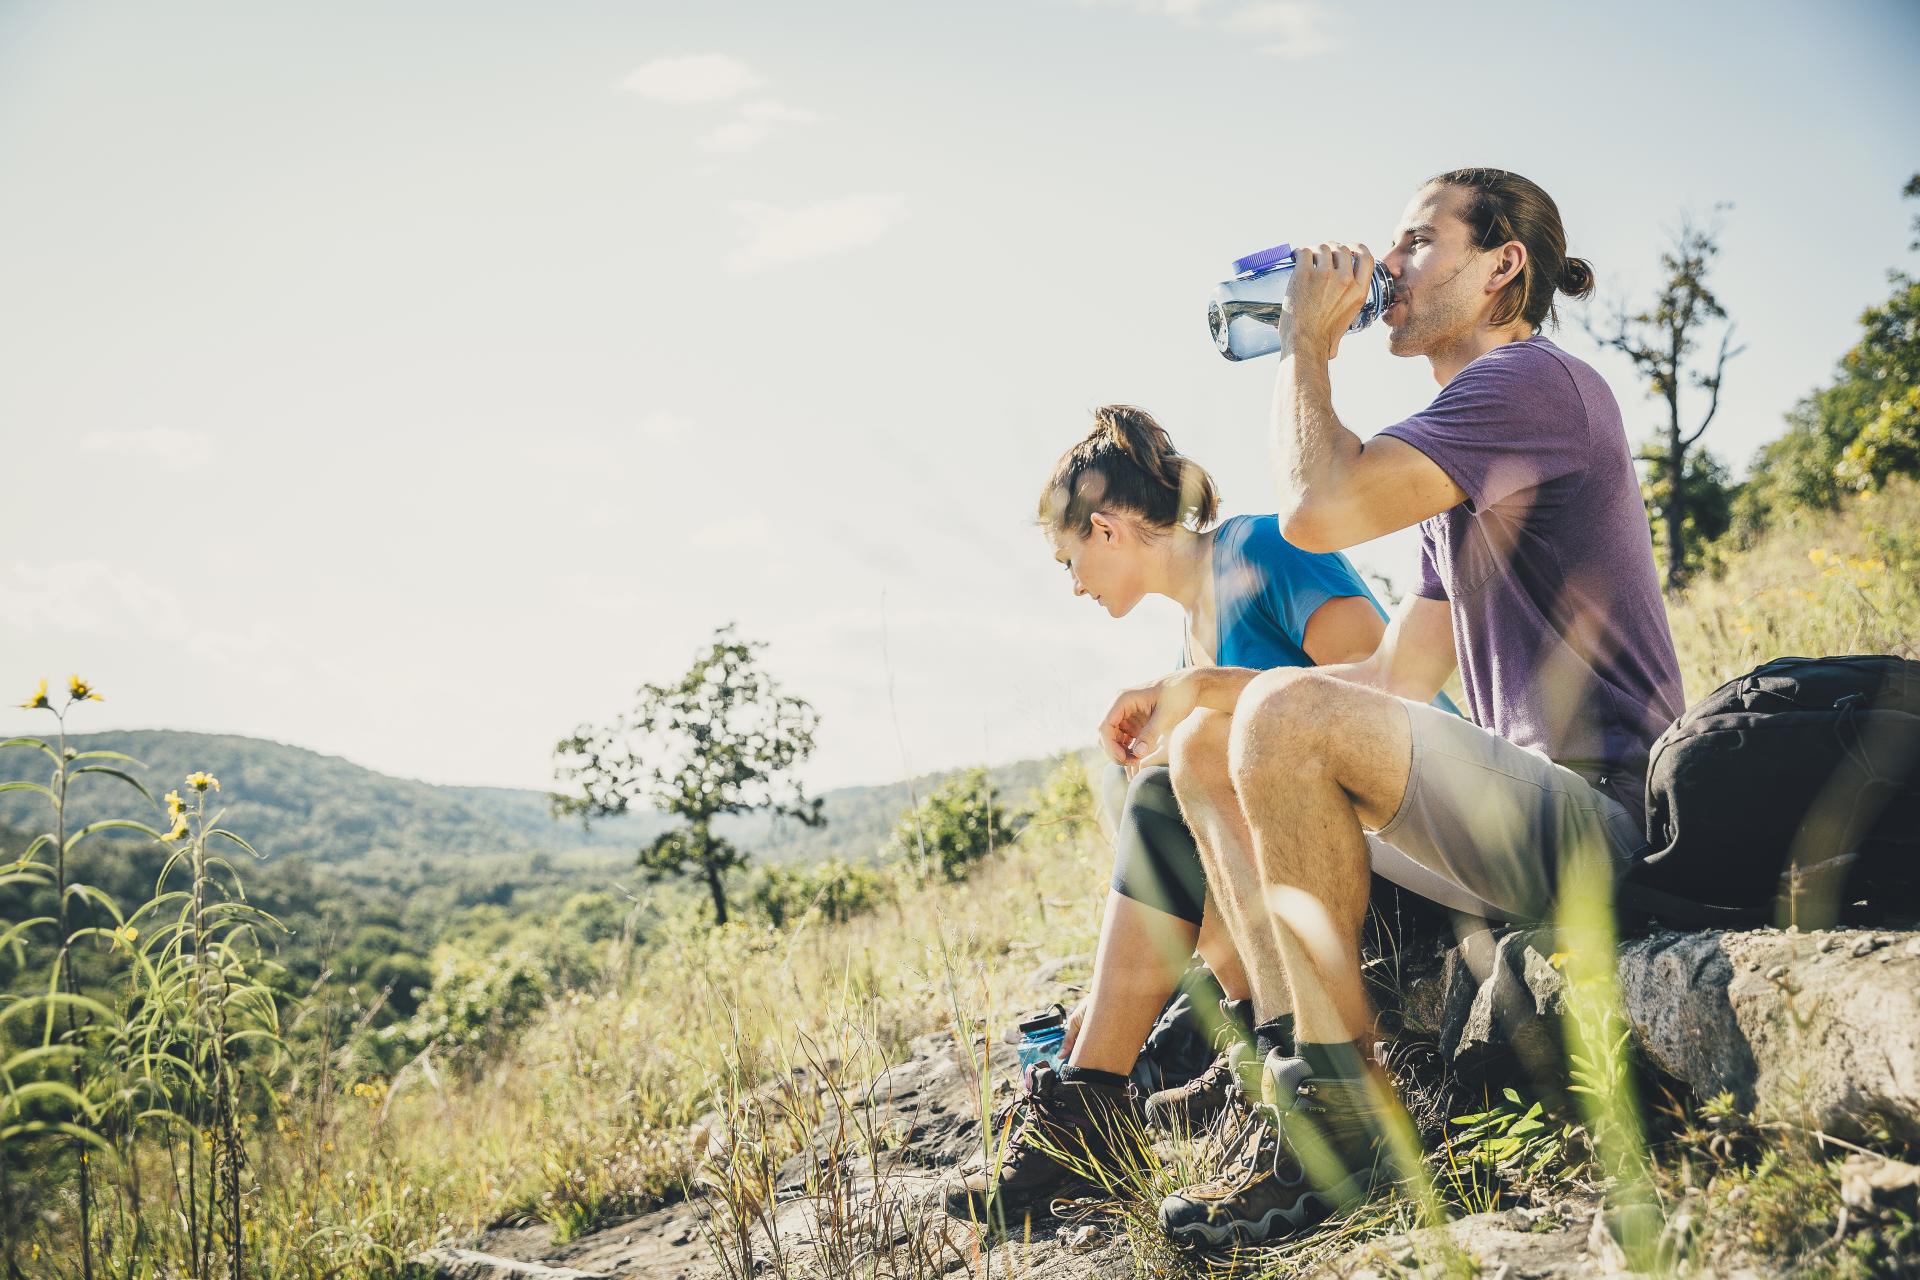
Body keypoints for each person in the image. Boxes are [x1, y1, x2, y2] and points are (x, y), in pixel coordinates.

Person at [1101, 168, 1687, 1248]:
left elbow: (1319, 512)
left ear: (1502, 264)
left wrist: (1308, 346)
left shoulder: (1536, 387)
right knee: (1207, 743)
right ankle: (1310, 1119)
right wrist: (1204, 690)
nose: (1389, 266)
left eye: (1420, 242)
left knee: (1275, 713)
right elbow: (1394, 683)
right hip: (1512, 822)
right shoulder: (1459, 448)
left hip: (1604, 818)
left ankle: (1353, 1137)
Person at [941, 405, 1473, 1224]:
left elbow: (1387, 697)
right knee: (1176, 777)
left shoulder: (1262, 549)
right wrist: (1106, 1002)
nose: (1074, 582)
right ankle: (1120, 1086)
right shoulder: (1197, 631)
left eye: (1069, 557)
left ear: (1109, 529)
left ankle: (1090, 1112)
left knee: (1168, 779)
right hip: (1331, 884)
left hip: (1425, 844)